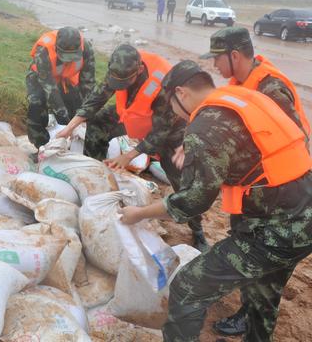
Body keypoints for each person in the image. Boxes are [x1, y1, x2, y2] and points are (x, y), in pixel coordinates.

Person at [120, 60, 312, 341]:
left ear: (181, 93)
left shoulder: (205, 127)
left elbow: (193, 202)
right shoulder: (246, 97)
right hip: (303, 214)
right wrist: (205, 152)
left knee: (187, 286)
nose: (176, 115)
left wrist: (139, 213)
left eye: (171, 106)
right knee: (262, 294)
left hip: (274, 232)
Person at [198, 26, 311, 336]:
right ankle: (249, 312)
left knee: (265, 272)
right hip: (257, 195)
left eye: (217, 59)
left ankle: (252, 317)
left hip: (280, 201)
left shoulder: (270, 89)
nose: (214, 67)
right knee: (253, 264)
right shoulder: (242, 83)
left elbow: (292, 145)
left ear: (235, 56)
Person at [56, 44, 209, 252]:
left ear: (138, 70)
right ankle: (95, 183)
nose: (118, 86)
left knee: (181, 179)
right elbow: (97, 98)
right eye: (115, 81)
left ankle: (197, 230)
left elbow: (159, 133)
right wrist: (71, 126)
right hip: (132, 116)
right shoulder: (120, 69)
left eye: (124, 83)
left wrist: (128, 156)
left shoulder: (162, 84)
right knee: (98, 122)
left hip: (169, 131)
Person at [26, 26, 97, 149]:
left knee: (76, 107)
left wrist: (87, 113)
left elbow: (88, 84)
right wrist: (63, 116)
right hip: (41, 78)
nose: (68, 61)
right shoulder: (44, 49)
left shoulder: (86, 48)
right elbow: (49, 88)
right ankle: (41, 146)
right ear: (56, 48)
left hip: (67, 78)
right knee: (36, 104)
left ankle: (74, 145)